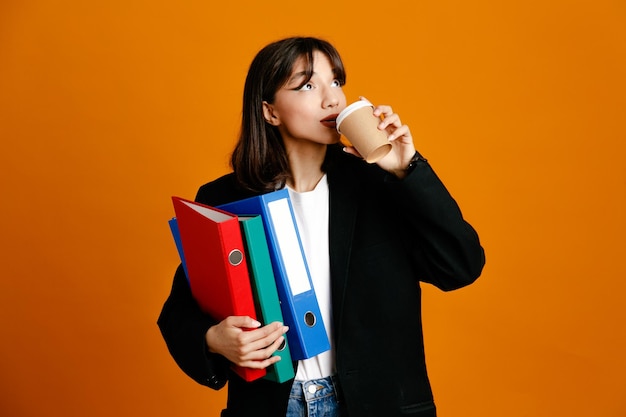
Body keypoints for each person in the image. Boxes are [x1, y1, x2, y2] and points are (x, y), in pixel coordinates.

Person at [158, 36, 485, 417]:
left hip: (374, 405)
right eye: (309, 85)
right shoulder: (225, 198)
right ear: (270, 112)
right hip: (274, 406)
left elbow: (461, 265)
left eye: (337, 82)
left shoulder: (380, 183)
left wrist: (407, 169)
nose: (333, 99)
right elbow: (180, 312)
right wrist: (214, 339)